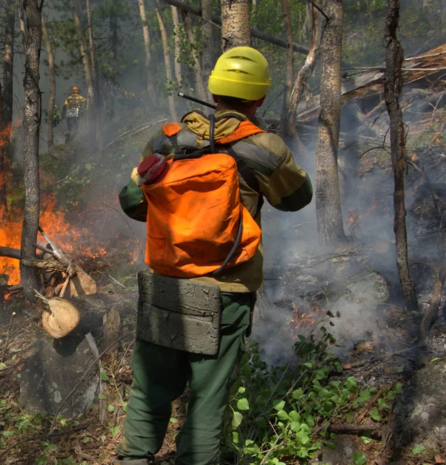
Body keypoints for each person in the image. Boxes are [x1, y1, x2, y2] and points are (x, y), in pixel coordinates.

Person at [116, 46, 313, 465]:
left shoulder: (166, 140)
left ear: (213, 90)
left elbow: (133, 203)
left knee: (149, 387)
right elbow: (297, 198)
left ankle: (133, 458)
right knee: (207, 399)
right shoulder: (262, 148)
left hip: (163, 284)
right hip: (224, 291)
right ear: (259, 98)